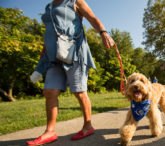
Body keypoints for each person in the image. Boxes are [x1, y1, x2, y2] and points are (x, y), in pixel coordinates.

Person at [27, 0, 115, 145]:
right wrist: (44, 52)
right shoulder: (49, 7)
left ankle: (88, 126)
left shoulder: (75, 1)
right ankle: (50, 131)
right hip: (53, 57)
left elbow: (92, 18)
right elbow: (50, 31)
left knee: (79, 92)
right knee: (49, 91)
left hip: (73, 53)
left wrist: (103, 33)